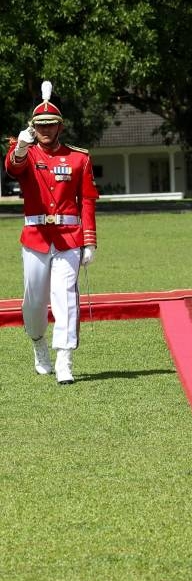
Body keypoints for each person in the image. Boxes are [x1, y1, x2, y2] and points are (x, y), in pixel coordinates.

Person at [6, 81, 99, 384]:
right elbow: (13, 168)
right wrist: (20, 148)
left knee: (65, 298)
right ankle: (38, 343)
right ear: (33, 127)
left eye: (51, 124)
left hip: (68, 236)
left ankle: (64, 359)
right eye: (40, 125)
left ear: (60, 126)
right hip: (35, 237)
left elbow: (86, 200)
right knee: (34, 301)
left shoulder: (79, 158)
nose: (46, 130)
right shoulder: (26, 152)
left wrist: (89, 241)